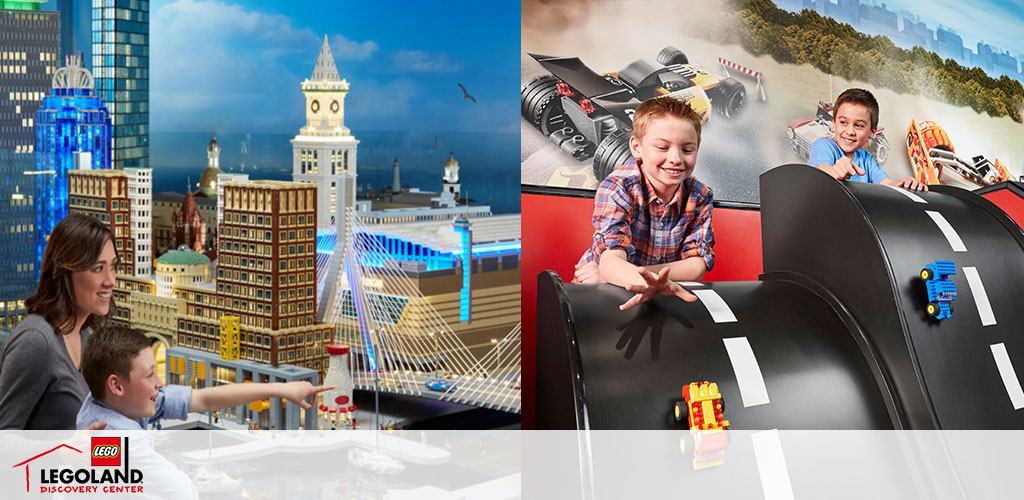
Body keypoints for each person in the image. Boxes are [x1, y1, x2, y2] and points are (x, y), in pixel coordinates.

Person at [574, 96, 714, 310]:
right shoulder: (618, 187)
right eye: (662, 147)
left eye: (687, 150)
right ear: (637, 147)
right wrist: (611, 273)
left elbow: (696, 265)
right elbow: (611, 261)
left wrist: (642, 278)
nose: (676, 158)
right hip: (599, 290)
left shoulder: (700, 196)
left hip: (652, 288)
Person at [77, 326, 333, 430]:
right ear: (116, 385)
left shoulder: (115, 402)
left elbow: (205, 399)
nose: (159, 382)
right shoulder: (110, 438)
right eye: (149, 374)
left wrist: (283, 389)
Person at [0, 214, 117, 429]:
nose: (111, 280)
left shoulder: (85, 336)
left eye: (113, 266)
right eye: (98, 268)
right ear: (66, 271)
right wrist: (64, 452)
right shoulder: (36, 342)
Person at [809, 88, 927, 191]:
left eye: (858, 125)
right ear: (834, 124)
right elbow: (822, 169)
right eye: (843, 122)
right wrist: (834, 171)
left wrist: (904, 184)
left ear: (872, 132)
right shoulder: (823, 145)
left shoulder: (866, 158)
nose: (850, 132)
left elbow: (886, 184)